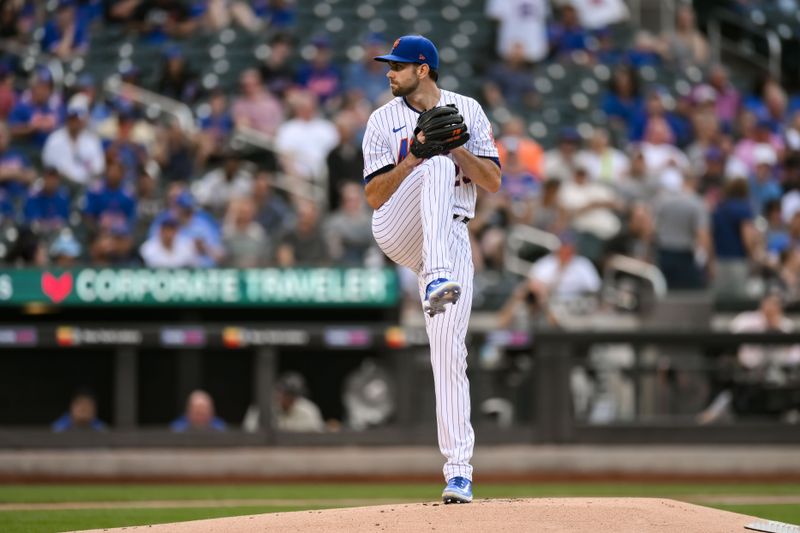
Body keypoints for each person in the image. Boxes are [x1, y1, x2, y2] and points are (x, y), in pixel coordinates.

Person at [363, 35, 501, 504]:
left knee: (449, 355)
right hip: (398, 226)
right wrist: (419, 153)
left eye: (397, 66)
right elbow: (374, 197)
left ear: (423, 69)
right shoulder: (382, 120)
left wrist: (457, 148)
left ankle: (458, 472)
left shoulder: (469, 109)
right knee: (436, 168)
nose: (389, 72)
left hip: (452, 234)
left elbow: (494, 182)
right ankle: (437, 278)